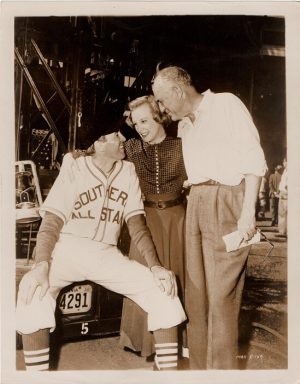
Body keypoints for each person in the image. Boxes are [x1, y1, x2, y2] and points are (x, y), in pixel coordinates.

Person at [16, 112, 186, 371]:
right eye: (115, 135)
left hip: (106, 253)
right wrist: (41, 264)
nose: (122, 140)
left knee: (163, 290)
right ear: (97, 143)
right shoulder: (74, 167)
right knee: (32, 293)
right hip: (68, 248)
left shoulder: (128, 171)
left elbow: (137, 225)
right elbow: (51, 223)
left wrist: (155, 267)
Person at [152, 65, 267, 369]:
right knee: (197, 297)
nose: (162, 109)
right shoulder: (185, 125)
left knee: (221, 300)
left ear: (178, 92)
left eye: (163, 101)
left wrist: (247, 216)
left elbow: (254, 162)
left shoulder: (225, 104)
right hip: (197, 202)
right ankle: (200, 371)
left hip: (226, 200)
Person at [119, 95, 188, 358]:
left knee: (178, 276)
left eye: (145, 120)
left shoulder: (181, 146)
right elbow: (99, 146)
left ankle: (176, 343)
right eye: (136, 123)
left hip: (177, 219)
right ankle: (142, 341)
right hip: (144, 220)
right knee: (143, 276)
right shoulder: (133, 148)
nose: (141, 128)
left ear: (159, 117)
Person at [277, 158, 287, 237]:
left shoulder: (290, 171)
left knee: (286, 213)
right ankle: (282, 230)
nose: (284, 163)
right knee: (281, 213)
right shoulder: (285, 171)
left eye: (285, 161)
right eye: (284, 161)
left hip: (286, 194)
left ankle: (285, 231)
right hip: (282, 193)